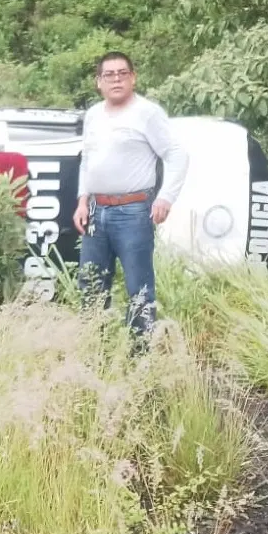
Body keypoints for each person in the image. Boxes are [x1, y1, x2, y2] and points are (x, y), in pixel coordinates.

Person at [73, 52, 189, 342]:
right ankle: (93, 354)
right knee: (91, 284)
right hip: (96, 211)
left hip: (134, 212)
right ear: (98, 82)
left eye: (122, 73)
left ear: (133, 77)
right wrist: (81, 200)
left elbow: (176, 154)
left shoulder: (147, 113)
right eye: (109, 74)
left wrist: (166, 198)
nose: (116, 79)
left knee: (139, 288)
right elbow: (87, 160)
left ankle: (140, 358)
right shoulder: (93, 115)